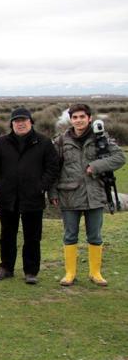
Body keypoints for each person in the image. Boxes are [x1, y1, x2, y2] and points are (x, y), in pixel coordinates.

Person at [50, 104, 125, 286]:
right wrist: (52, 192)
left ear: (89, 118)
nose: (79, 120)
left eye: (82, 116)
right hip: (69, 194)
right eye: (75, 117)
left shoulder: (101, 138)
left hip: (95, 194)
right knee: (70, 235)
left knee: (95, 236)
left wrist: (96, 166)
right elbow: (53, 169)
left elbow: (119, 158)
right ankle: (70, 273)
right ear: (71, 119)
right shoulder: (60, 141)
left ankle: (95, 273)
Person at [0, 108, 60, 284]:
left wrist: (41, 186)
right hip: (8, 198)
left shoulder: (43, 142)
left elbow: (52, 167)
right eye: (16, 121)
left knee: (32, 237)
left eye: (24, 120)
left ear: (31, 122)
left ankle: (31, 271)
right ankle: (6, 268)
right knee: (7, 235)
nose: (20, 123)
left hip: (33, 198)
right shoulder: (2, 143)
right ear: (11, 124)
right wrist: (1, 185)